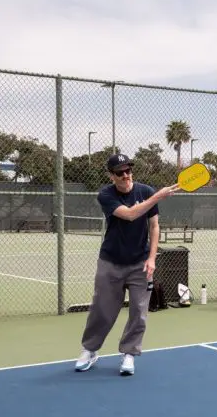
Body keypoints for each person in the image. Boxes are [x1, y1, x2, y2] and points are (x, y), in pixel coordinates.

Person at [74, 153, 181, 376]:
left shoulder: (145, 191)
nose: (126, 176)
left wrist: (152, 258)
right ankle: (90, 350)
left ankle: (129, 354)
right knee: (102, 310)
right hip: (110, 261)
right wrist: (158, 197)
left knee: (139, 311)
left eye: (128, 171)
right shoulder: (106, 195)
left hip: (140, 263)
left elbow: (154, 227)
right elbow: (130, 215)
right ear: (111, 176)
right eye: (120, 173)